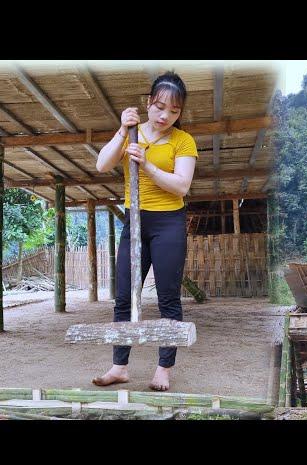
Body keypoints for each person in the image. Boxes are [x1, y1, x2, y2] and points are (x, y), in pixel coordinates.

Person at [91, 71, 198, 391]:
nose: (165, 115)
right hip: (134, 222)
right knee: (124, 297)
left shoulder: (183, 141)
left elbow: (181, 185)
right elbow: (102, 165)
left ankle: (164, 369)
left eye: (174, 111)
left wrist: (148, 165)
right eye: (160, 106)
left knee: (168, 299)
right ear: (148, 103)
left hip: (169, 223)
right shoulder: (132, 132)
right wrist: (123, 130)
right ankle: (119, 366)